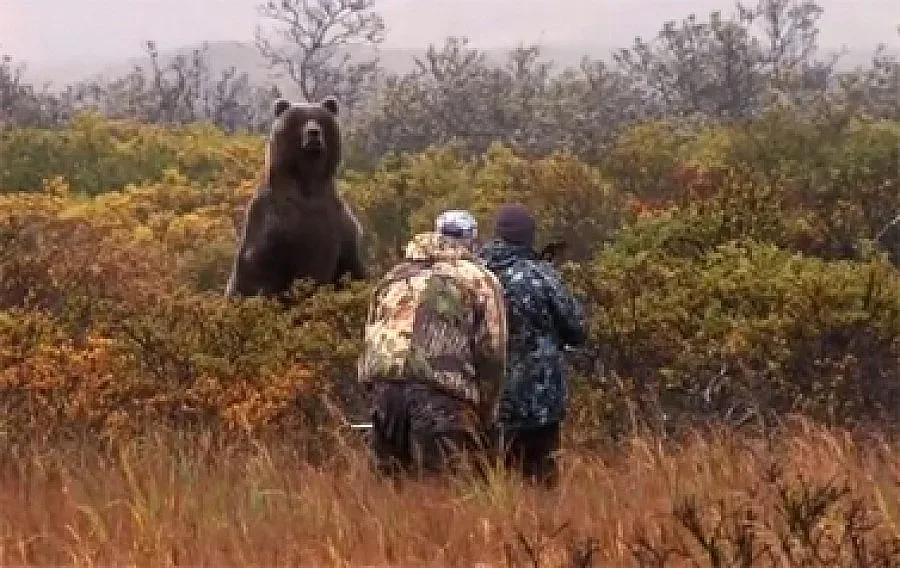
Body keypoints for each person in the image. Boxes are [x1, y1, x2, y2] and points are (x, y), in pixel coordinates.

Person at [357, 210, 508, 479]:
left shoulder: (395, 275)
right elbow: (492, 351)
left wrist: (374, 391)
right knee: (445, 491)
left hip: (385, 390)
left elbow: (370, 334)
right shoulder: (479, 279)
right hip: (442, 392)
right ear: (473, 240)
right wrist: (487, 414)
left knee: (391, 490)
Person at [478, 203, 585, 485]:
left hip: (487, 398)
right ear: (529, 236)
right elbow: (576, 328)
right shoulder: (540, 275)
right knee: (541, 480)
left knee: (492, 480)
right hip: (539, 400)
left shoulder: (475, 275)